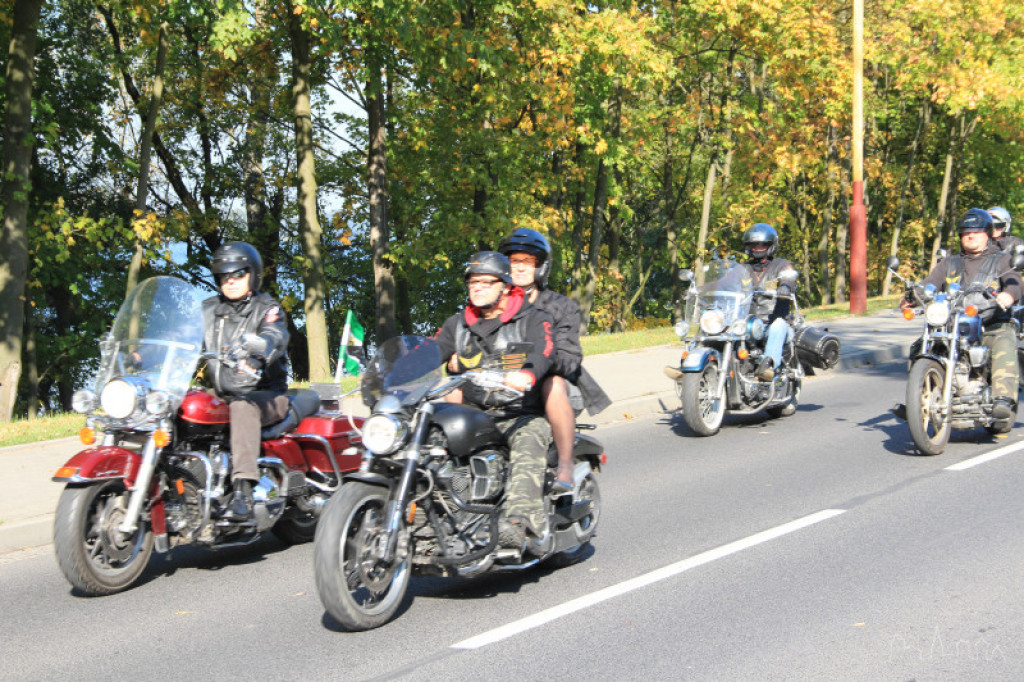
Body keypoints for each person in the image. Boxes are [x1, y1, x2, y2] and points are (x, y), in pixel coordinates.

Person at [435, 251, 555, 554]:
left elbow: (544, 352)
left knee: (528, 443)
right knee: (434, 448)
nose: (477, 287)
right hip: (474, 413)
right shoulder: (456, 325)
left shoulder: (532, 319)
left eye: (486, 282)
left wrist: (527, 374)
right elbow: (428, 354)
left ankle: (517, 523)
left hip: (520, 412)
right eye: (472, 282)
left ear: (505, 286)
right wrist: (397, 376)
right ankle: (451, 512)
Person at [497, 228, 610, 493]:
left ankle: (565, 466)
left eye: (528, 261)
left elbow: (570, 359)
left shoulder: (561, 306)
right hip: (505, 385)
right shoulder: (494, 304)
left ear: (540, 267)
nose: (520, 268)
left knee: (554, 384)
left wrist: (540, 361)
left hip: (554, 389)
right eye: (514, 261)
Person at [900, 208, 1022, 418]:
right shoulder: (950, 262)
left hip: (991, 323)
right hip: (953, 323)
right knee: (920, 346)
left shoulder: (1002, 260)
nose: (971, 235)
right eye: (966, 232)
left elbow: (1015, 282)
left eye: (976, 231)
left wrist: (1009, 294)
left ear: (987, 234)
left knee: (1004, 342)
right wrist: (912, 296)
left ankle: (1003, 399)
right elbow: (930, 283)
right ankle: (917, 399)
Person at [202, 242, 291, 521]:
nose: (231, 281)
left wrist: (258, 356)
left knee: (241, 406)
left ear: (253, 274)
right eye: (224, 275)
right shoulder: (207, 310)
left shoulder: (267, 308)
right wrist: (143, 356)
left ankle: (243, 491)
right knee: (183, 405)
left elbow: (274, 335)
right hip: (221, 392)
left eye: (238, 274)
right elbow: (181, 337)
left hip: (265, 395)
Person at [742, 223, 797, 381]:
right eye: (754, 245)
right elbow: (725, 282)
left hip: (771, 323)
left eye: (762, 245)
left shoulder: (781, 265)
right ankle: (693, 363)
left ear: (771, 245)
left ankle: (768, 368)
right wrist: (705, 289)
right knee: (715, 326)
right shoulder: (743, 268)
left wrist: (785, 286)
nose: (758, 248)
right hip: (748, 324)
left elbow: (788, 276)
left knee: (778, 325)